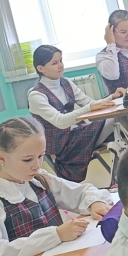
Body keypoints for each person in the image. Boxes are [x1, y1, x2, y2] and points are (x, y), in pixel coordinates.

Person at [0, 117, 113, 256]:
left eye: (41, 156)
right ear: (1, 158)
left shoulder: (38, 178)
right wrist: (56, 235)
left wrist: (95, 202)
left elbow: (81, 192)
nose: (37, 165)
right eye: (28, 159)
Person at [28, 45, 120, 182]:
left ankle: (118, 177)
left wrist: (112, 97)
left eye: (61, 60)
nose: (60, 65)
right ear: (40, 68)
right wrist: (90, 107)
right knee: (117, 122)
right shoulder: (36, 95)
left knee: (119, 122)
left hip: (78, 134)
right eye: (54, 63)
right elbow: (60, 122)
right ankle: (119, 177)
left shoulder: (65, 82)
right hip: (63, 146)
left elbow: (89, 102)